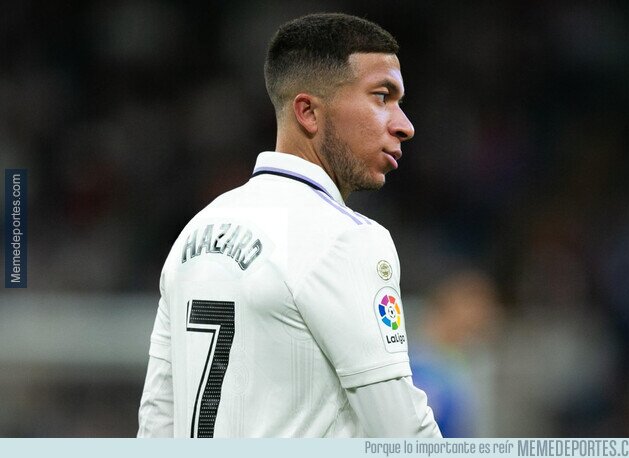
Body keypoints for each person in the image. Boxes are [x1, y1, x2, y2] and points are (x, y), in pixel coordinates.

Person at [137, 12, 442, 438]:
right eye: (381, 97)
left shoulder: (196, 232)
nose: (404, 125)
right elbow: (404, 433)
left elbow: (156, 424)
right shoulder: (347, 239)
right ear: (308, 112)